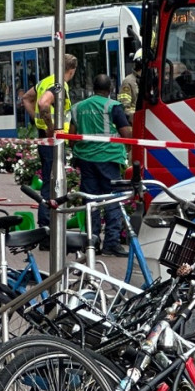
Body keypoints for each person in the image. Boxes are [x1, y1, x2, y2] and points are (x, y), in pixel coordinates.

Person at [72, 74, 134, 255]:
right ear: (110, 89)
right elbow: (126, 133)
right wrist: (127, 149)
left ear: (93, 87)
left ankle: (92, 243)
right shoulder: (113, 106)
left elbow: (72, 136)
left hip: (86, 160)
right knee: (112, 200)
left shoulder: (78, 107)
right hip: (108, 159)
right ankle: (111, 244)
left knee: (91, 201)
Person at [32, 53, 78, 228]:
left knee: (49, 182)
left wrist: (39, 124)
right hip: (52, 142)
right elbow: (44, 104)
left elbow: (28, 99)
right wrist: (50, 127)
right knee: (52, 186)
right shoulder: (59, 85)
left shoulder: (46, 81)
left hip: (45, 141)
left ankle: (48, 225)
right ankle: (47, 226)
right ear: (71, 70)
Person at [117, 50, 142, 116]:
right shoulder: (128, 82)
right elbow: (125, 107)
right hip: (136, 121)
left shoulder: (147, 80)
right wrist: (137, 116)